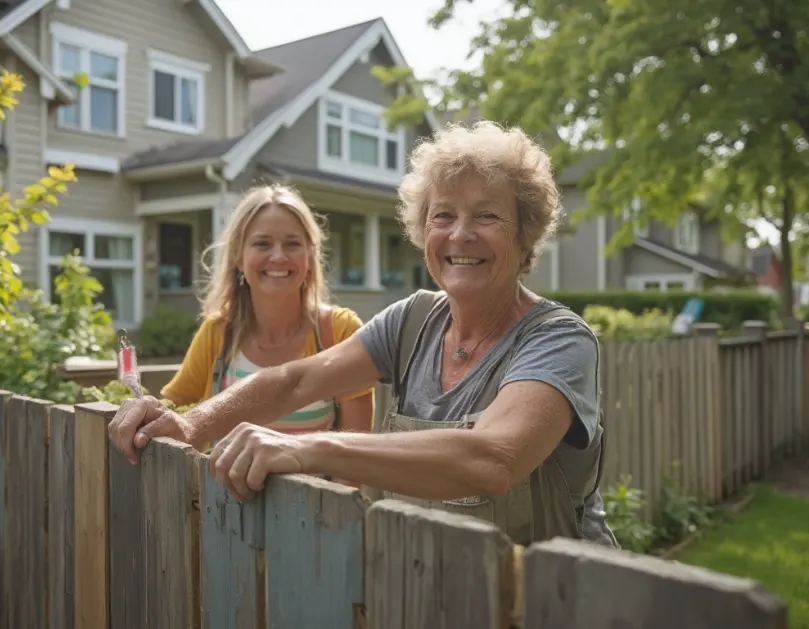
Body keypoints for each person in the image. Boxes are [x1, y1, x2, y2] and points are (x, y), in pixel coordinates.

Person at [110, 122, 617, 547]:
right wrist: (190, 425)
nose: (460, 234)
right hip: (424, 588)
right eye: (443, 215)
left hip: (546, 599)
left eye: (487, 215)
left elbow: (493, 459)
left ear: (525, 233)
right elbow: (292, 381)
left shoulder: (557, 340)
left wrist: (313, 448)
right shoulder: (413, 321)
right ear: (424, 230)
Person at [157, 183, 375, 442]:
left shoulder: (339, 331)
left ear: (309, 256)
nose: (278, 257)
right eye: (262, 244)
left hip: (315, 485)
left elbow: (352, 456)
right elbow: (172, 417)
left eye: (293, 244)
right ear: (238, 257)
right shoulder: (218, 332)